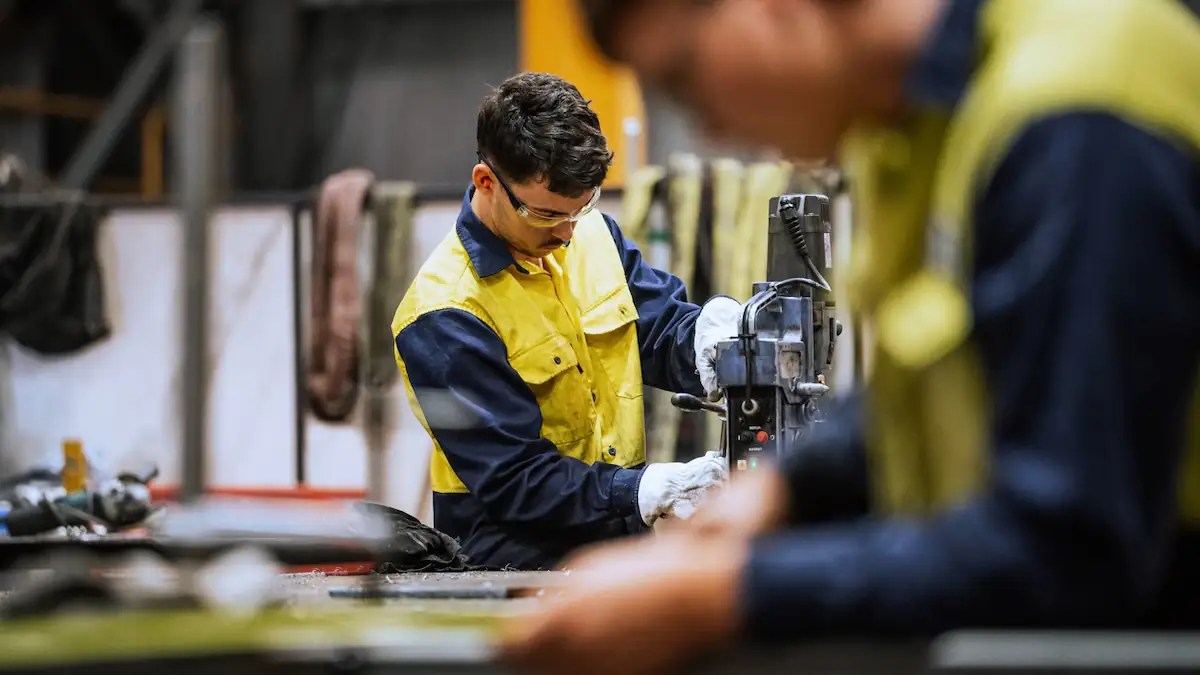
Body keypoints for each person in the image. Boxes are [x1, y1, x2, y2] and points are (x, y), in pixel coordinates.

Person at [500, 0, 1200, 673]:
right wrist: (783, 491)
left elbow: (1071, 545)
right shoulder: (921, 129)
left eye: (683, 75)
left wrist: (726, 593)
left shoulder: (1074, 113)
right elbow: (945, 376)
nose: (706, 127)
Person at [392, 72, 738, 571]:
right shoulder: (443, 313)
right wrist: (642, 489)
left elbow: (655, 330)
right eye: (545, 214)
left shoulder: (590, 233)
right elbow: (516, 479)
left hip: (616, 539)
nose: (567, 231)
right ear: (487, 183)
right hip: (512, 566)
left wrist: (712, 340)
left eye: (583, 207)